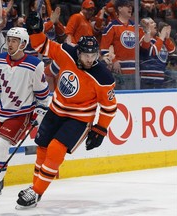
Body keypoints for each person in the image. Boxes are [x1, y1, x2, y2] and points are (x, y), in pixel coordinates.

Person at [15, 12, 117, 209]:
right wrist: (36, 30)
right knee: (42, 148)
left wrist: (100, 129)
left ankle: (36, 192)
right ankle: (34, 188)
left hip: (79, 119)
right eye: (86, 55)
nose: (89, 59)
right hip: (56, 110)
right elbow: (42, 46)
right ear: (78, 52)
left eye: (93, 55)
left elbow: (109, 107)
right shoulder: (66, 52)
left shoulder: (103, 76)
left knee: (55, 149)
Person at [0, 27, 50, 201]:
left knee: (1, 145)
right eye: (8, 40)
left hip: (21, 114)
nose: (10, 44)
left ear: (23, 44)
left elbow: (43, 95)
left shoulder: (34, 65)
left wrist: (40, 110)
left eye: (14, 41)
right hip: (1, 113)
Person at [100, 0, 145, 90]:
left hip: (135, 71)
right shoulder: (112, 26)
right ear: (119, 9)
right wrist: (114, 60)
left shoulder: (136, 27)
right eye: (127, 6)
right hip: (119, 72)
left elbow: (145, 47)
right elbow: (104, 49)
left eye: (131, 6)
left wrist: (147, 31)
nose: (130, 8)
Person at [139, 18, 176, 89]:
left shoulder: (159, 40)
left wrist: (167, 38)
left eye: (154, 22)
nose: (155, 24)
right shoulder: (144, 39)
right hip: (148, 80)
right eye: (152, 23)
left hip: (161, 78)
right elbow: (153, 52)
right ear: (145, 27)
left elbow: (172, 51)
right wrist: (162, 36)